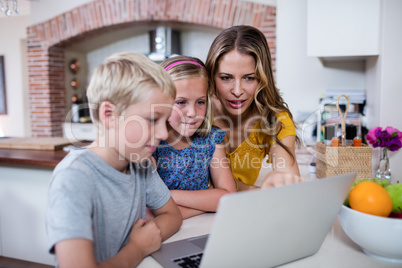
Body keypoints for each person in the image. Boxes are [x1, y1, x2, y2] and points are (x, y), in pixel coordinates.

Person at [46, 52, 183, 267]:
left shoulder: (141, 163)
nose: (164, 134)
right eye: (152, 119)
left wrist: (146, 239)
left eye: (165, 121)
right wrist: (138, 249)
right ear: (109, 115)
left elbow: (172, 215)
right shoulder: (74, 178)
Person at [205, 25, 304, 191]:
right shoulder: (197, 112)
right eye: (226, 78)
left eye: (249, 78)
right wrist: (252, 189)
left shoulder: (275, 119)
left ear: (263, 79)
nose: (237, 91)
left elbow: (288, 179)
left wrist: (280, 178)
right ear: (212, 76)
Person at [152, 56, 236, 219]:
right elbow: (148, 211)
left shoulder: (211, 139)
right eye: (181, 102)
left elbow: (228, 198)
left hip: (202, 229)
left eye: (200, 102)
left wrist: (170, 197)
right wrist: (207, 204)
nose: (192, 113)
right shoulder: (151, 144)